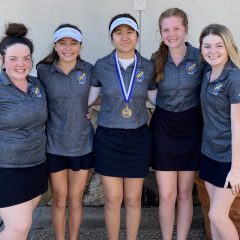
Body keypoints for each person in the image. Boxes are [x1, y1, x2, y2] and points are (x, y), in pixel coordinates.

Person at [89, 13, 156, 240]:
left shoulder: (147, 66)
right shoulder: (101, 66)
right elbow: (90, 98)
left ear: (137, 36)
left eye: (129, 32)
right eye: (119, 33)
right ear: (112, 37)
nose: (124, 37)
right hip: (109, 138)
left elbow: (157, 100)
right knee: (113, 199)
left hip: (138, 138)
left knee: (133, 199)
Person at [149, 8, 204, 240]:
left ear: (186, 30)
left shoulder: (201, 58)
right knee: (167, 195)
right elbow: (149, 94)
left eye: (176, 29)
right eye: (166, 29)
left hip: (192, 128)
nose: (171, 34)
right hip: (164, 129)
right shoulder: (155, 60)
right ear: (160, 32)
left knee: (184, 194)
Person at [36, 24, 94, 240]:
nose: (68, 48)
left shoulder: (89, 70)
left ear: (80, 46)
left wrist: (91, 107)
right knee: (60, 199)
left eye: (73, 43)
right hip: (55, 144)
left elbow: (101, 94)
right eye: (63, 43)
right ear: (55, 45)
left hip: (82, 144)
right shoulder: (44, 70)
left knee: (76, 199)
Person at [0, 23, 48, 240]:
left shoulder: (36, 85)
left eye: (26, 58)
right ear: (2, 60)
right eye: (13, 59)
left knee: (22, 227)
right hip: (7, 169)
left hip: (36, 165)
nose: (21, 64)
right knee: (18, 228)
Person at [199, 24, 240, 240]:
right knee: (212, 215)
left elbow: (238, 126)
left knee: (218, 214)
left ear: (228, 47)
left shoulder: (234, 77)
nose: (212, 51)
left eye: (218, 45)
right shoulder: (207, 73)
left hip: (228, 158)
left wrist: (236, 169)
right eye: (207, 46)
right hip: (208, 153)